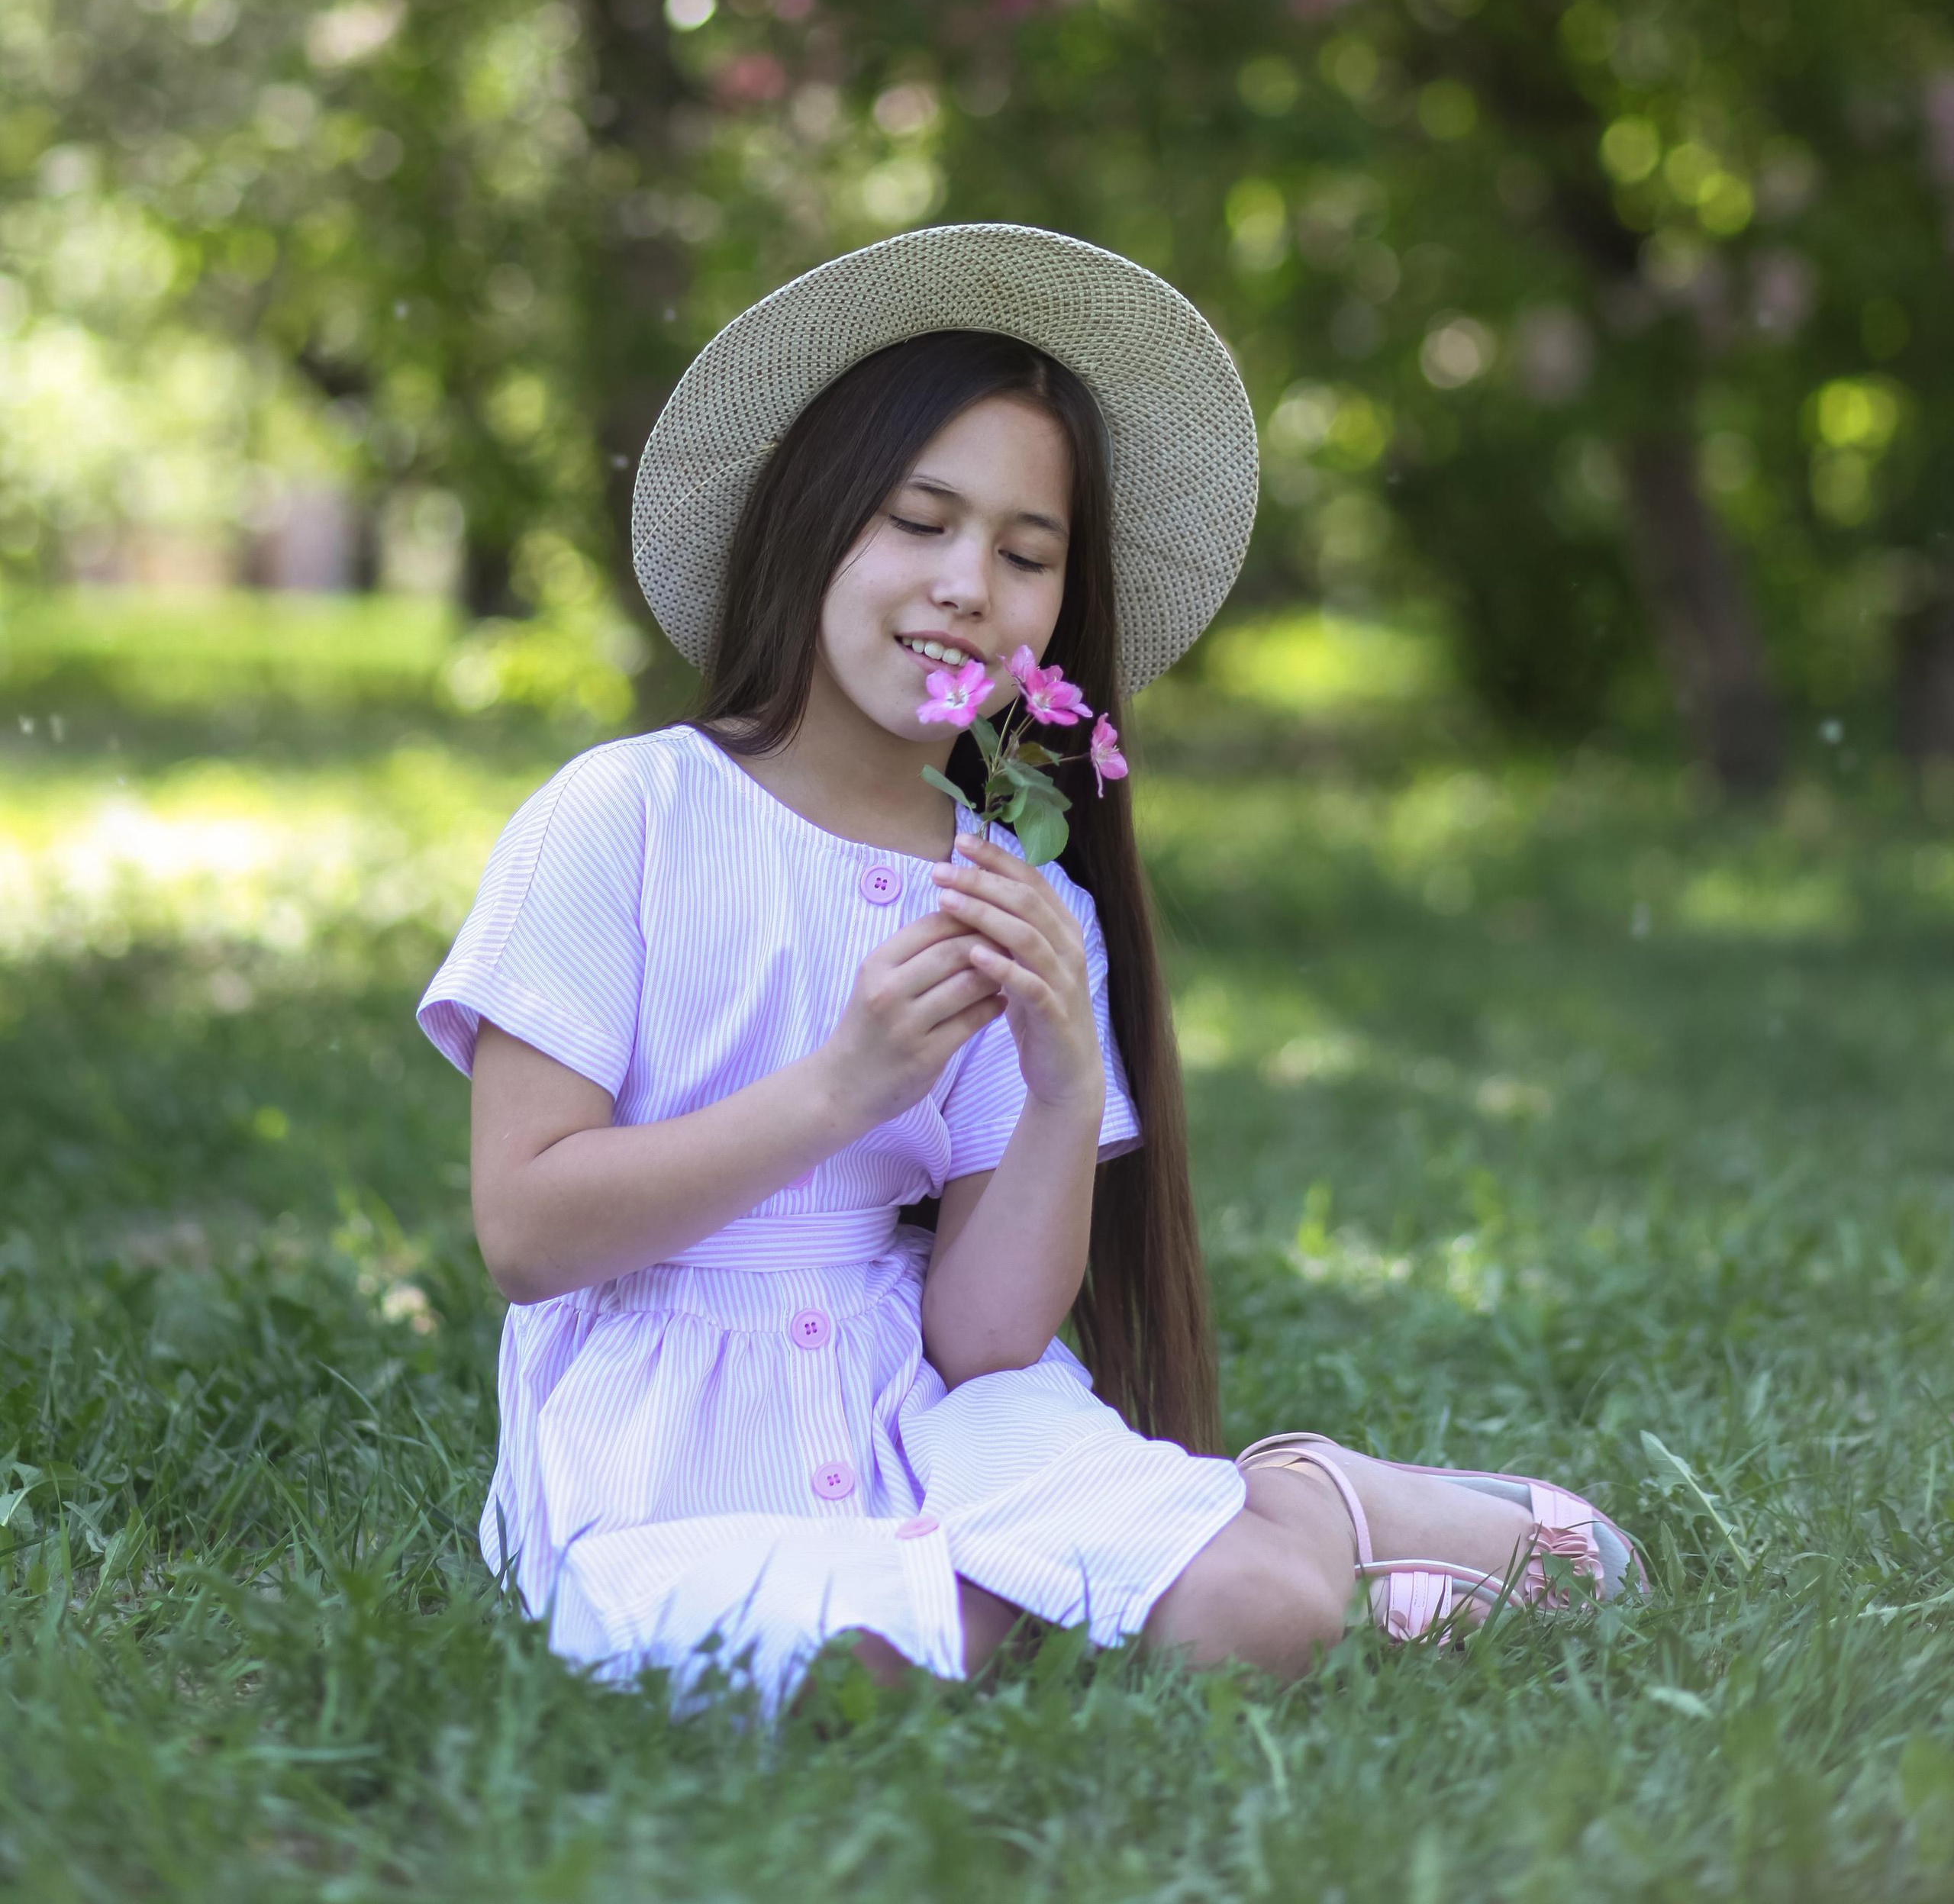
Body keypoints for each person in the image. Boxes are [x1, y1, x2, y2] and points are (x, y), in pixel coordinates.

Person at [420, 224, 1642, 1710]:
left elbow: (986, 1337)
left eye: (1024, 554)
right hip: (655, 1447)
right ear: (811, 521)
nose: (966, 586)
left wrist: (1064, 1088)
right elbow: (527, 1234)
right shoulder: (625, 815)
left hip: (930, 1411)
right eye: (917, 522)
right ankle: (1265, 1536)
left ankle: (1302, 1509)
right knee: (842, 1659)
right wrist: (838, 1091)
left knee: (1256, 1616)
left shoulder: (1017, 891)